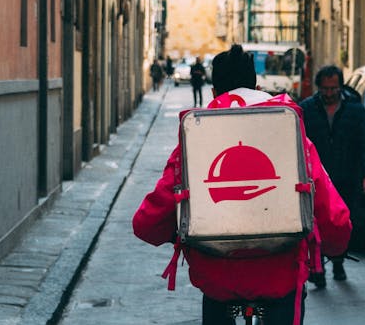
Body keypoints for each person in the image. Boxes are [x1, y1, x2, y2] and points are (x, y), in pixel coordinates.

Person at [132, 45, 352, 325]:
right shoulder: (289, 133)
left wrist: (177, 234)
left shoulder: (195, 140)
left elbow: (146, 223)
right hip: (279, 277)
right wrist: (335, 247)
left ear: (214, 92)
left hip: (217, 281)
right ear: (257, 86)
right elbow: (331, 211)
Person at [299, 64, 365, 288]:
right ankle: (318, 268)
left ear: (340, 87)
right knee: (317, 225)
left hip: (347, 177)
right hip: (317, 179)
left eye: (333, 88)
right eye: (325, 89)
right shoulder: (307, 110)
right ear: (319, 87)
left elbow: (364, 144)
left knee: (342, 224)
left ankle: (338, 261)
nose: (329, 93)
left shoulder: (355, 110)